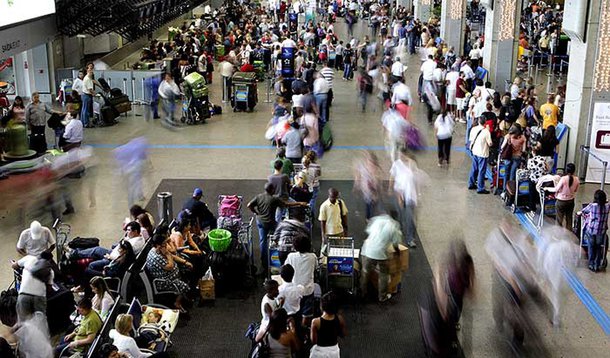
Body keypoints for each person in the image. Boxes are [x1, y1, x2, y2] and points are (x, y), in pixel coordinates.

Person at [248, 183, 307, 273]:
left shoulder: (259, 196)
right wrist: (299, 203)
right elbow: (286, 204)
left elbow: (249, 205)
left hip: (260, 221)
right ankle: (278, 251)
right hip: (270, 223)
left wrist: (256, 212)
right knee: (281, 231)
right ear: (271, 190)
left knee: (263, 241)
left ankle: (264, 262)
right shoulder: (274, 199)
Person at [360, 214, 402, 302]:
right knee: (384, 274)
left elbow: (369, 231)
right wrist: (398, 254)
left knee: (365, 272)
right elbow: (395, 244)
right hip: (380, 254)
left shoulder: (378, 220)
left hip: (367, 250)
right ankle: (382, 297)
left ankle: (362, 293)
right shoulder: (394, 227)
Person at [145, 234, 192, 311]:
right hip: (164, 281)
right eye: (164, 243)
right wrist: (167, 254)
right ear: (158, 245)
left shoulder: (158, 250)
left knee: (186, 267)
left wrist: (185, 262)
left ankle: (184, 295)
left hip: (170, 275)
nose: (166, 245)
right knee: (184, 284)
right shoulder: (156, 257)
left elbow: (172, 256)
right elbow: (170, 267)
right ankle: (177, 302)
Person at [389, 151, 423, 248]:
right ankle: (398, 236)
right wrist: (391, 190)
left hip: (411, 195)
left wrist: (418, 194)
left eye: (403, 155)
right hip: (399, 193)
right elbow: (392, 178)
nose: (401, 156)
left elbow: (416, 179)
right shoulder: (396, 164)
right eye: (400, 155)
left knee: (410, 217)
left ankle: (410, 239)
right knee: (400, 216)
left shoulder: (412, 164)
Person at [12, 252, 54, 321]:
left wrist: (13, 263)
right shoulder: (50, 271)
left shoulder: (29, 258)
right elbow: (49, 288)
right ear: (50, 260)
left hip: (24, 294)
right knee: (40, 322)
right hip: (40, 297)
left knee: (23, 321)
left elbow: (15, 266)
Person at [285, 236, 317, 327]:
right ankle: (304, 329)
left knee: (295, 311)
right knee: (307, 313)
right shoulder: (312, 257)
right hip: (308, 290)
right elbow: (315, 268)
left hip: (295, 290)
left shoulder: (291, 256)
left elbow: (286, 267)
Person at [579, 190, 610, 272]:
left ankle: (591, 264)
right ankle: (597, 265)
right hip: (601, 231)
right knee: (599, 247)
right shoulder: (607, 206)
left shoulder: (592, 206)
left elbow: (583, 211)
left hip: (591, 231)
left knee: (591, 247)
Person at [310, 292, 347, 357]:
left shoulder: (316, 322)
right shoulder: (340, 319)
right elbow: (343, 334)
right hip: (334, 351)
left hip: (320, 351)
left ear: (321, 306)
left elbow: (314, 341)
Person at [353, 151, 383, 219]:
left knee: (374, 204)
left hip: (374, 191)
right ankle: (368, 217)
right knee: (368, 204)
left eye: (372, 162)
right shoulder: (363, 167)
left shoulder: (376, 170)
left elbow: (378, 181)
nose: (370, 164)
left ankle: (372, 217)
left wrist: (377, 189)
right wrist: (356, 184)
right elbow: (358, 175)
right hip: (367, 191)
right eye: (369, 161)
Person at [468, 117, 493, 194]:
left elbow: (471, 139)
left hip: (474, 151)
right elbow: (490, 143)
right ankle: (480, 188)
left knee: (474, 168)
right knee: (482, 170)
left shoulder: (473, 129)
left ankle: (471, 183)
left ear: (478, 121)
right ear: (485, 122)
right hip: (483, 153)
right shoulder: (486, 132)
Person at [554, 163, 579, 231]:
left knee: (559, 219)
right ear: (574, 171)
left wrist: (546, 189)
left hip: (561, 201)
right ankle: (569, 235)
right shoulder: (577, 179)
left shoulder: (563, 178)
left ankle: (558, 235)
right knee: (569, 218)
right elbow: (576, 190)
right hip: (571, 201)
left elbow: (556, 189)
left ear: (566, 170)